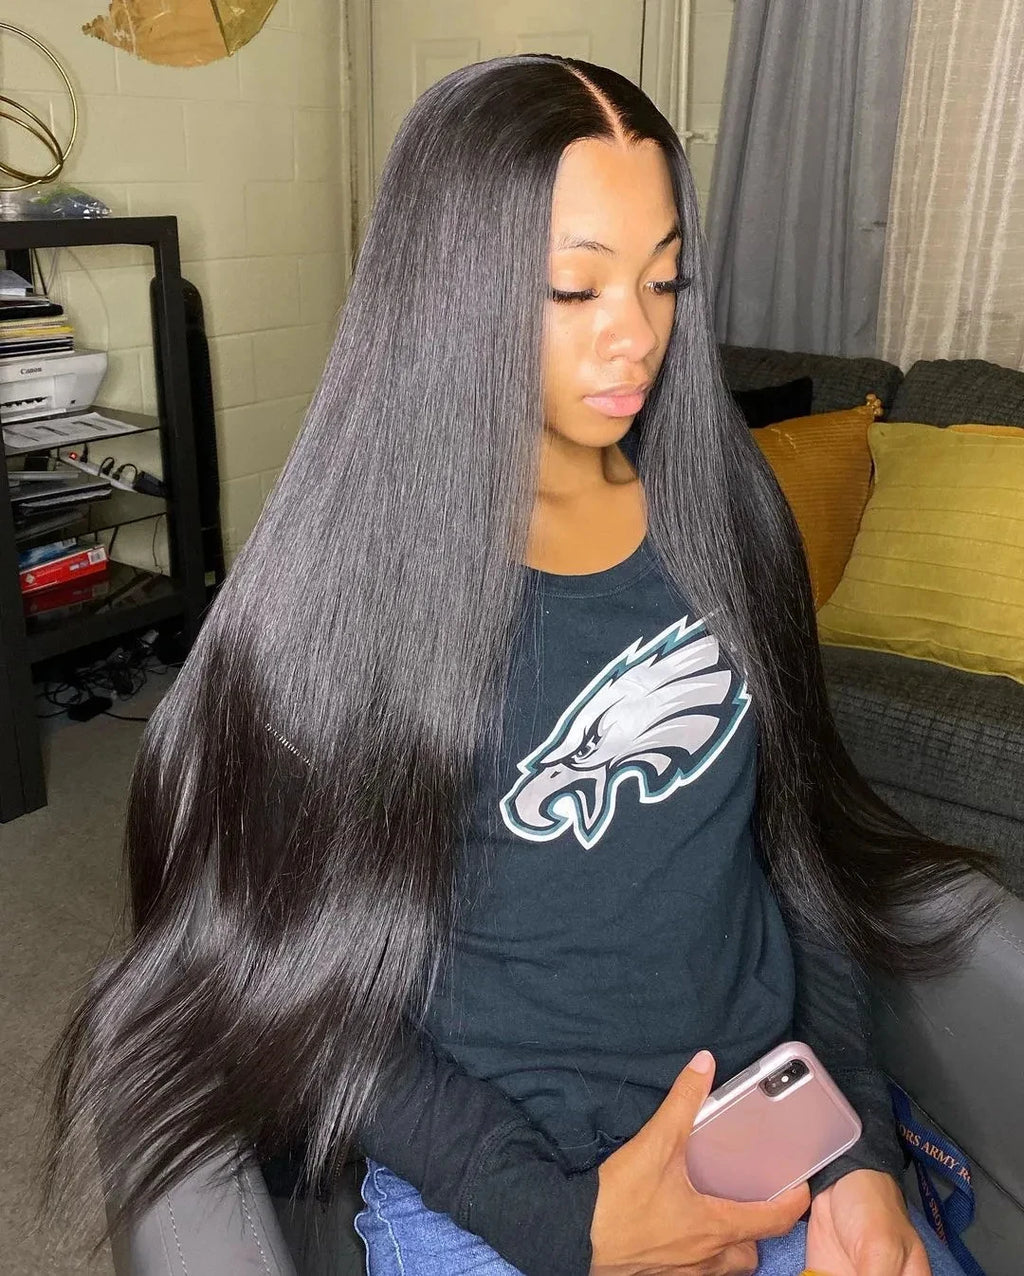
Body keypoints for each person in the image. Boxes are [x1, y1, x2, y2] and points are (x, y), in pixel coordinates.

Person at [45, 54, 995, 1276]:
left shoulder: (731, 515)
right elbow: (282, 971)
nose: (636, 334)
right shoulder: (354, 588)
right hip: (499, 1185)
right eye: (573, 286)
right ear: (449, 291)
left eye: (663, 279)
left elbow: (794, 853)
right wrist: (565, 1224)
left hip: (768, 1136)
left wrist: (855, 1147)